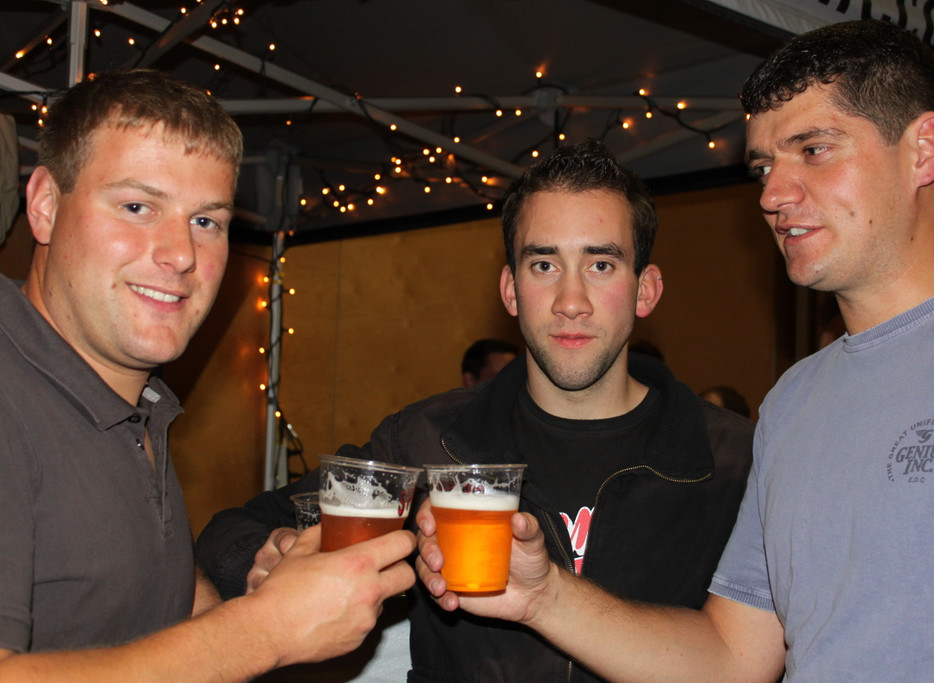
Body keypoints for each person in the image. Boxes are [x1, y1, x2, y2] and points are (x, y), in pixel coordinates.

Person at [415, 19, 934, 681]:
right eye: (763, 167)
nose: (772, 195)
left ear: (924, 150)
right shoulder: (793, 404)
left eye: (814, 150)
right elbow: (733, 658)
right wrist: (543, 596)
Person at [195, 139, 754, 682]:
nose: (571, 301)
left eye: (601, 265)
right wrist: (263, 558)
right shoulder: (429, 438)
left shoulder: (735, 462)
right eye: (544, 265)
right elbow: (233, 529)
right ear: (510, 290)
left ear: (645, 290)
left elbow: (749, 658)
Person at [0, 69, 414, 681]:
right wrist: (263, 632)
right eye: (137, 206)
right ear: (44, 206)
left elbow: (138, 588)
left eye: (206, 221)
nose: (181, 255)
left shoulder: (134, 399)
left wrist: (266, 594)